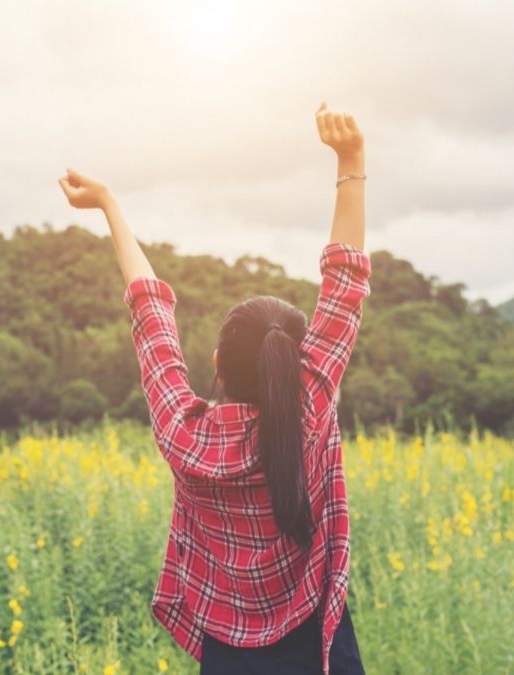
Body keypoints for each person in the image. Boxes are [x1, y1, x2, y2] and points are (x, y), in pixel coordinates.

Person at [58, 101, 369, 675]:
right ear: (297, 362)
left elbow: (151, 313)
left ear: (219, 361)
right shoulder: (312, 406)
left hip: (231, 657)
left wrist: (109, 207)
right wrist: (350, 159)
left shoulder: (184, 434)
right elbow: (345, 282)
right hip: (320, 647)